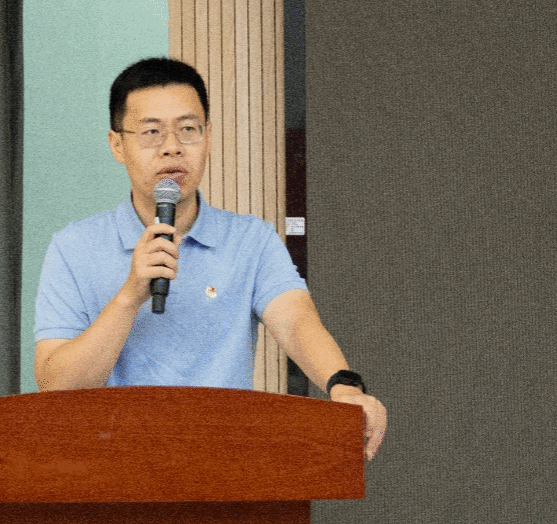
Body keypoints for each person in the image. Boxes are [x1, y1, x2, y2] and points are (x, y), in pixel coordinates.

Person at [34, 57, 387, 461]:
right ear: (118, 145)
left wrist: (344, 385)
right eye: (151, 132)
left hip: (223, 464)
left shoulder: (250, 239)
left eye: (188, 129)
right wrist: (130, 296)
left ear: (209, 137)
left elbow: (296, 321)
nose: (172, 146)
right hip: (110, 468)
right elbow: (56, 386)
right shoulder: (74, 247)